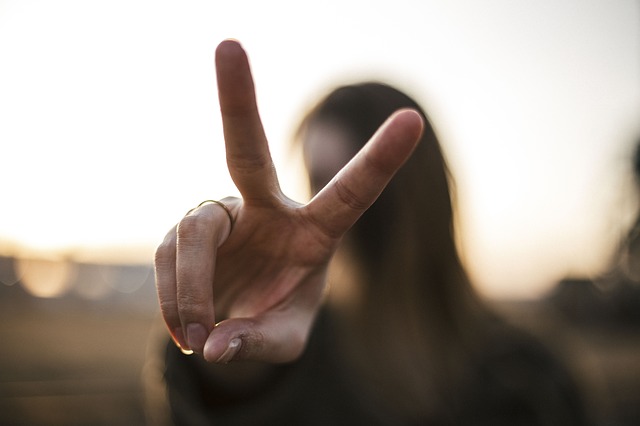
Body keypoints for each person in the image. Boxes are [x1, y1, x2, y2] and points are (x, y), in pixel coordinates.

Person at [150, 39, 588, 425]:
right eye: (318, 184)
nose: (332, 210)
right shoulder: (298, 358)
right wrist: (232, 347)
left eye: (360, 179)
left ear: (419, 193)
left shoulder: (529, 379)